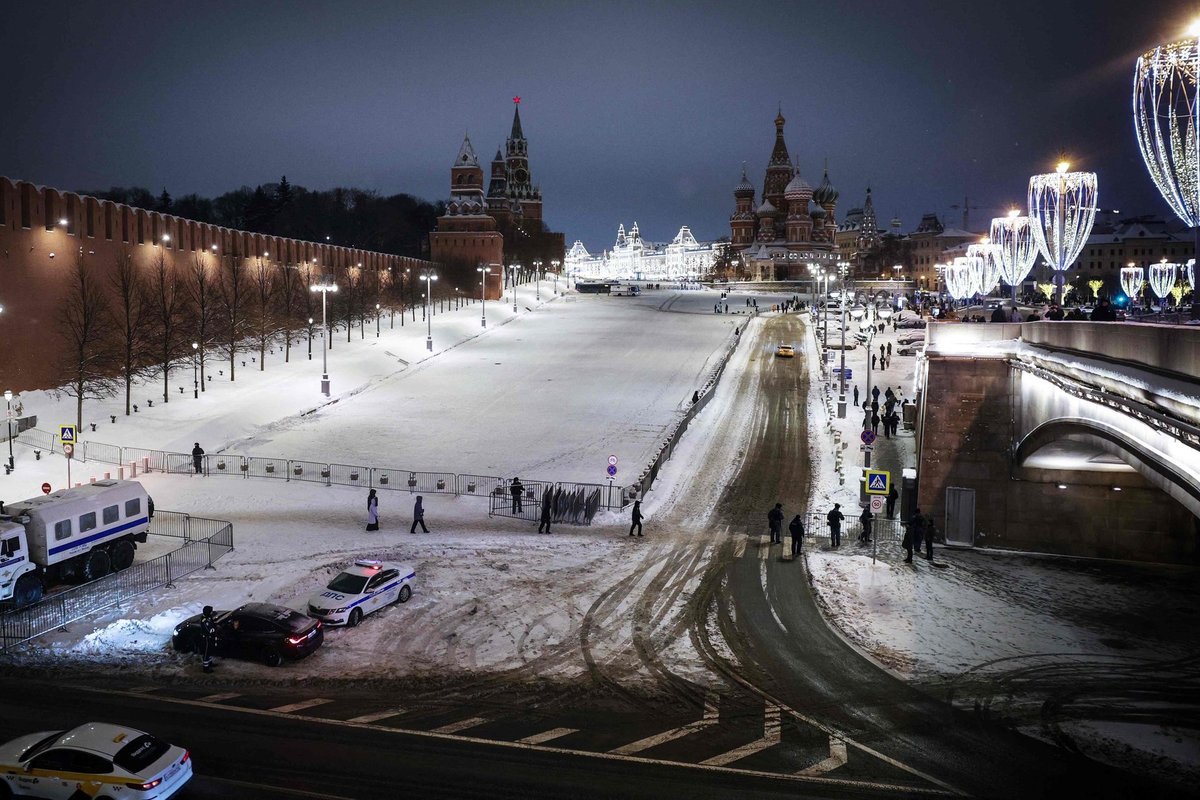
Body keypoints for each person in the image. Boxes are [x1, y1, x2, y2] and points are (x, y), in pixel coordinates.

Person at [200, 605, 218, 673]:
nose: (212, 612)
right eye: (211, 611)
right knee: (206, 652)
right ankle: (206, 668)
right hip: (206, 638)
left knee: (210, 651)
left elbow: (212, 624)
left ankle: (210, 663)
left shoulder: (208, 617)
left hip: (210, 638)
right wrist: (214, 629)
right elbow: (208, 629)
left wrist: (215, 625)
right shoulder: (204, 620)